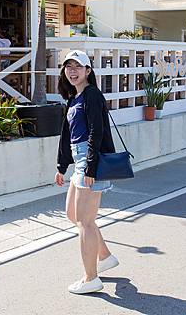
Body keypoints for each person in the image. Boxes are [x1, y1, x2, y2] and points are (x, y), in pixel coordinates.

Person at [55, 50, 120, 295]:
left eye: (78, 67)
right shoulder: (74, 97)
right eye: (68, 67)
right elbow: (67, 137)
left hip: (89, 161)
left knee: (85, 221)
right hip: (79, 158)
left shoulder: (92, 95)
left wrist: (90, 167)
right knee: (73, 215)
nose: (72, 71)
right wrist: (62, 166)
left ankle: (91, 278)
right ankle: (104, 256)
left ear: (88, 71)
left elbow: (97, 132)